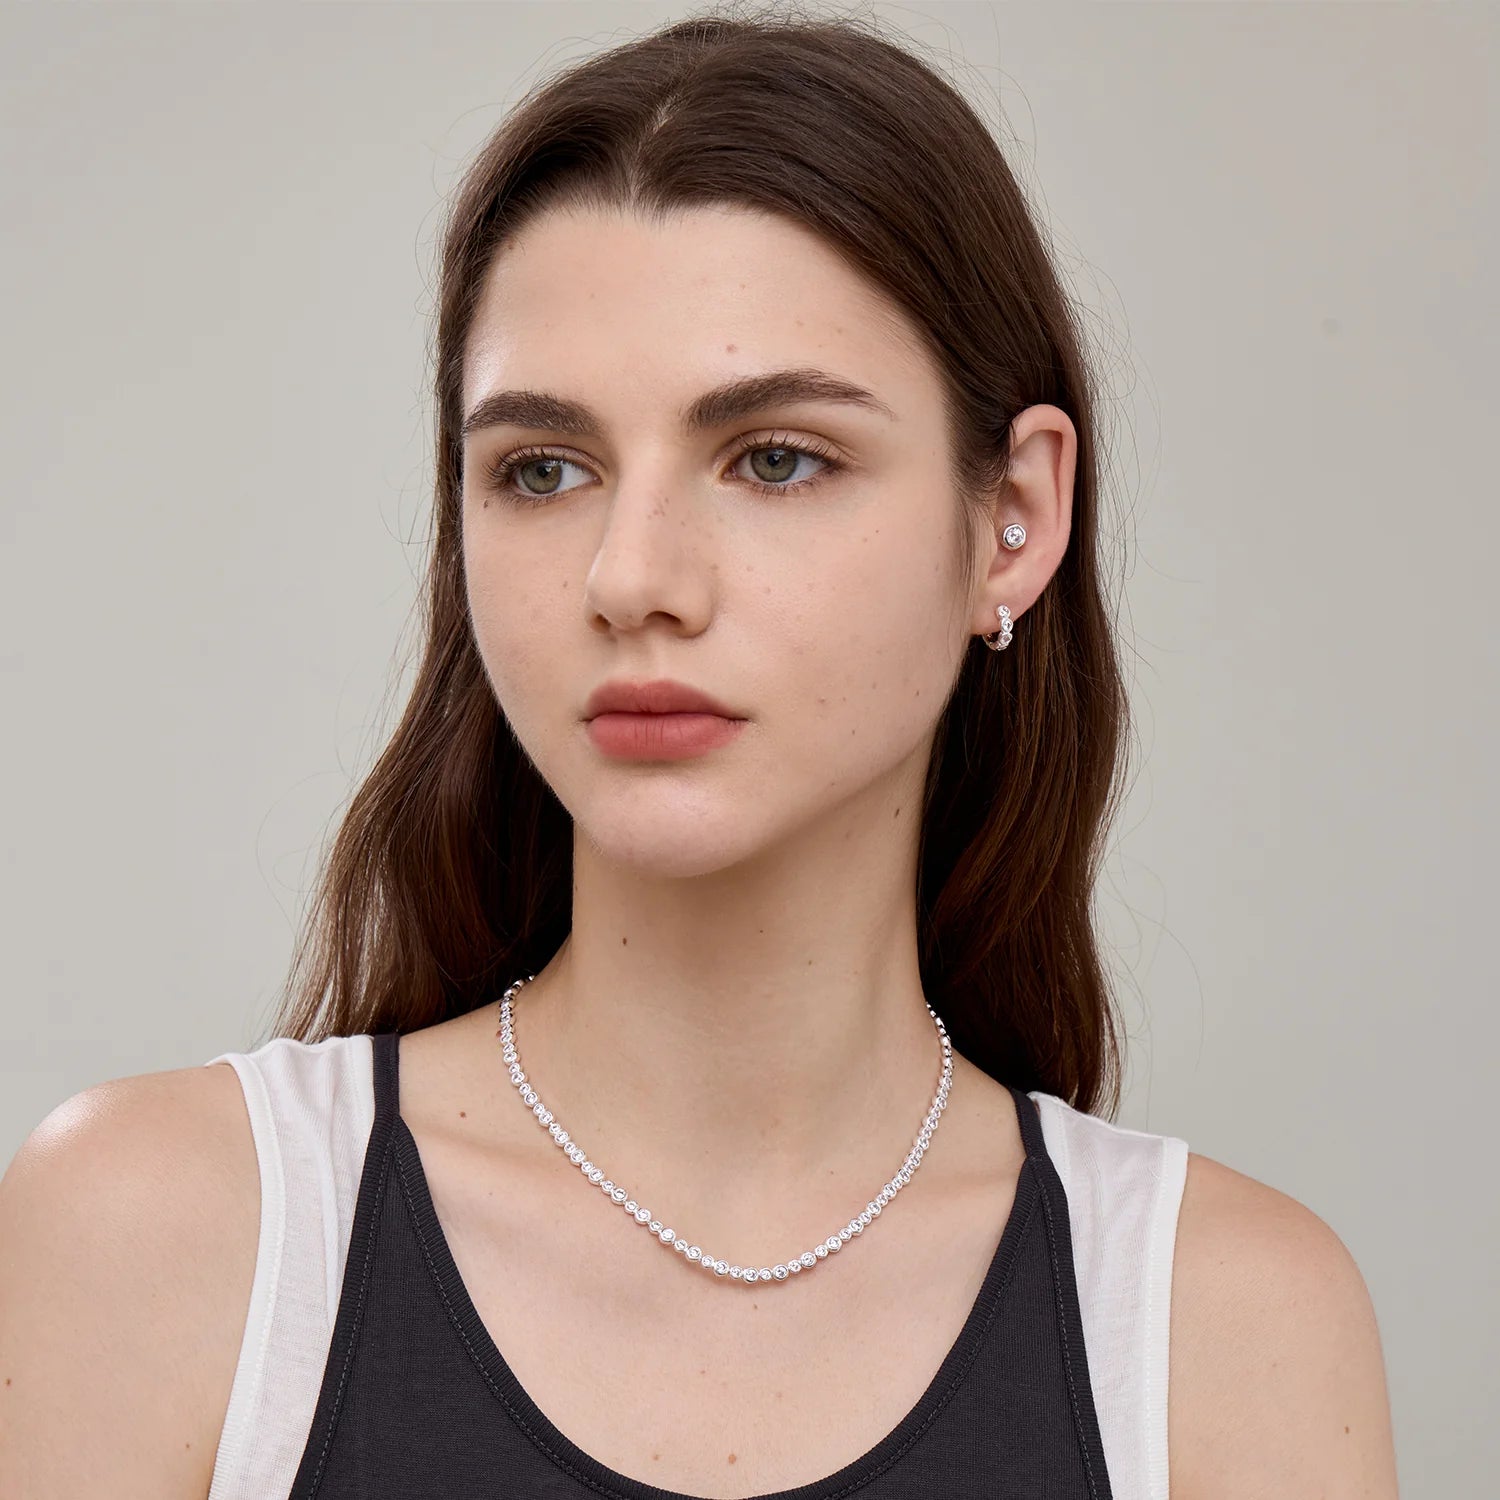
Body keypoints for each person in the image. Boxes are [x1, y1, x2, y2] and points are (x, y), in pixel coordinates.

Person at [0, 8, 1398, 1498]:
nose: (631, 577)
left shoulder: (1226, 1333)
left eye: (775, 459)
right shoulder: (160, 1240)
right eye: (544, 469)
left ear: (1015, 519)